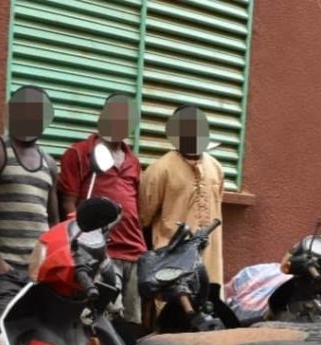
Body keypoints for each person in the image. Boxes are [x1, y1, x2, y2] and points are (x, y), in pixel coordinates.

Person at [0, 85, 58, 334]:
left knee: (37, 337)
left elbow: (53, 220)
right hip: (6, 270)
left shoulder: (49, 163)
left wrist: (49, 265)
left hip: (39, 275)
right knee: (1, 336)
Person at [58, 93, 145, 325]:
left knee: (131, 323)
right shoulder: (78, 153)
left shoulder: (133, 161)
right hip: (102, 254)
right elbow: (69, 203)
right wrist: (81, 242)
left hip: (135, 251)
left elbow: (136, 206)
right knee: (100, 321)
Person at [140, 105, 225, 285]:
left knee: (209, 305)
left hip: (210, 260)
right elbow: (143, 217)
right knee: (173, 309)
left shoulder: (216, 168)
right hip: (172, 258)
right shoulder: (159, 169)